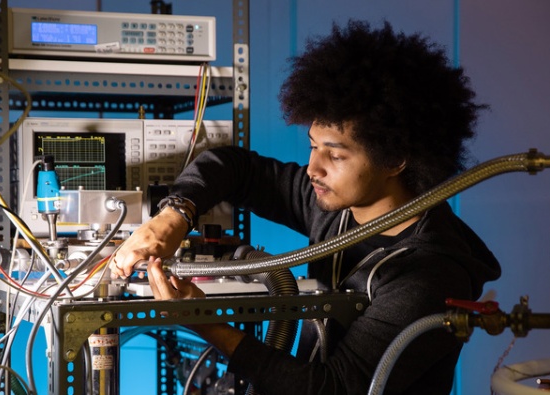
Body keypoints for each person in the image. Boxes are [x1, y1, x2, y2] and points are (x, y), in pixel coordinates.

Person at [111, 20, 501, 395]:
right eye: (313, 145)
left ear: (395, 158)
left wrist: (207, 324)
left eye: (335, 154)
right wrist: (174, 216)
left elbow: (332, 388)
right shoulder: (337, 207)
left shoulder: (428, 273)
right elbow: (232, 167)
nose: (314, 168)